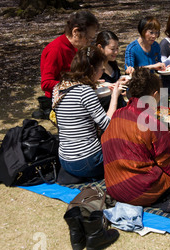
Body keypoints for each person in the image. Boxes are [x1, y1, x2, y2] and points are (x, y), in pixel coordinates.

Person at [101, 67, 170, 216]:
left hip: (113, 186)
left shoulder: (117, 114)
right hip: (139, 190)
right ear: (154, 95)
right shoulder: (151, 123)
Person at [53, 46, 124, 183]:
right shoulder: (85, 92)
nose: (102, 72)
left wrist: (94, 84)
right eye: (101, 70)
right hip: (88, 161)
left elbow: (76, 103)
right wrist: (115, 96)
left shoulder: (59, 87)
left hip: (65, 160)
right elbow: (107, 125)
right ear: (92, 70)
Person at [34, 11, 99, 119]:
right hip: (59, 102)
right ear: (75, 32)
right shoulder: (56, 50)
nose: (89, 43)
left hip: (74, 96)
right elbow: (45, 83)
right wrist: (75, 86)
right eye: (88, 38)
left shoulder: (75, 47)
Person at [95, 30, 129, 109]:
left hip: (119, 107)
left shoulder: (112, 63)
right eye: (112, 49)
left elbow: (117, 83)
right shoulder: (94, 69)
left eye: (117, 48)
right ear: (100, 47)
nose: (116, 52)